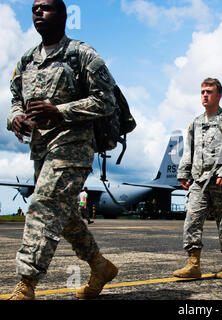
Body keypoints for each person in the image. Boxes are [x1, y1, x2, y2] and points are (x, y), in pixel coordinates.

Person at [6, 0, 118, 300]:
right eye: (34, 9)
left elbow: (106, 101)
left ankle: (26, 283)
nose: (38, 13)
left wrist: (60, 111)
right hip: (41, 148)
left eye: (46, 8)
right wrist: (14, 117)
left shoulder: (82, 55)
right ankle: (99, 265)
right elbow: (16, 98)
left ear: (64, 15)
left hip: (74, 146)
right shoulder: (27, 60)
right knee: (63, 212)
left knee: (43, 205)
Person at [174, 78, 222, 279]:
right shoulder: (196, 123)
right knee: (192, 219)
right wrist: (183, 171)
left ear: (219, 95)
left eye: (210, 91)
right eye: (203, 91)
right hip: (199, 180)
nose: (205, 95)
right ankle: (193, 264)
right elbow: (189, 150)